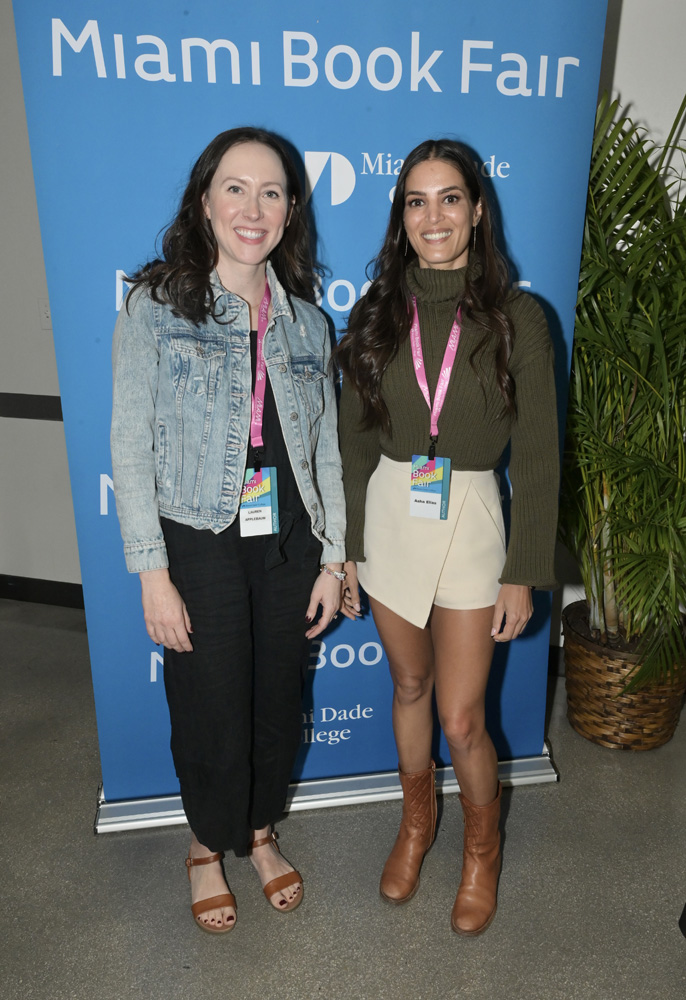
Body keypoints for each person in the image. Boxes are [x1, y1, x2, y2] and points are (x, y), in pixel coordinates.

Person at [111, 127, 346, 934]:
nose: (255, 208)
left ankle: (258, 829)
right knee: (212, 702)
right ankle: (207, 846)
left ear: (290, 211)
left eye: (273, 191)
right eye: (237, 188)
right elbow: (128, 443)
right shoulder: (156, 306)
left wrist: (334, 559)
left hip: (291, 543)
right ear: (205, 201)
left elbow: (327, 455)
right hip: (199, 540)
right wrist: (152, 570)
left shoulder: (311, 325)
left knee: (279, 700)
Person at [336, 138, 559, 935]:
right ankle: (416, 824)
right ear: (401, 218)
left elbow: (536, 452)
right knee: (407, 689)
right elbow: (356, 443)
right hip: (394, 514)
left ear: (476, 210)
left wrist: (524, 570)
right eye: (416, 201)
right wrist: (351, 549)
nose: (434, 216)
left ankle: (480, 850)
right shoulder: (372, 315)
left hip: (471, 520)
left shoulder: (518, 319)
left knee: (463, 718)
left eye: (450, 198)